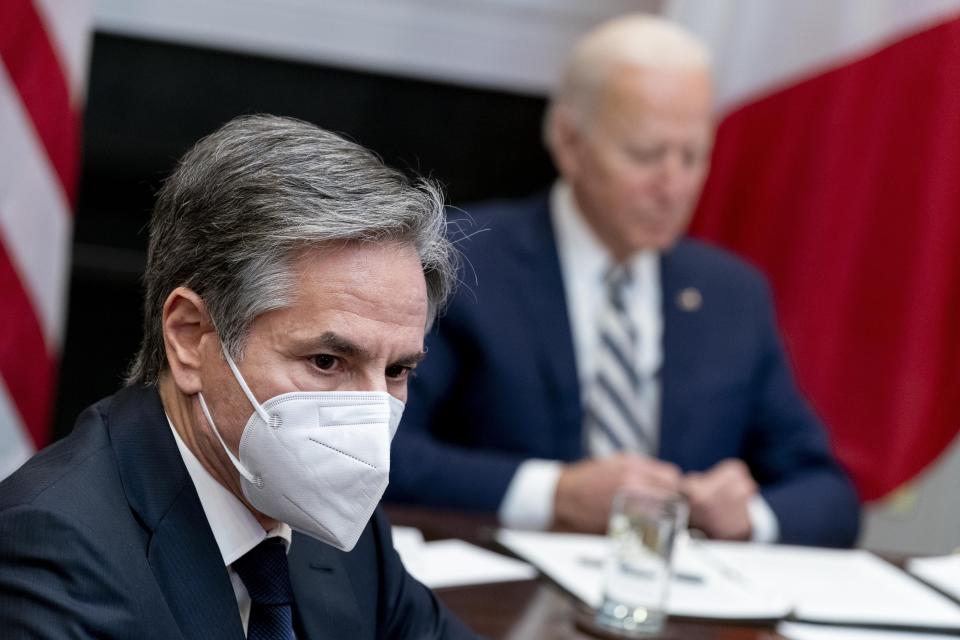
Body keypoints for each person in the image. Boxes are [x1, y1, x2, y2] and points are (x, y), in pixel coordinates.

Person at [386, 15, 860, 547]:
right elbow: (382, 449)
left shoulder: (732, 294)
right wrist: (556, 493)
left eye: (692, 156)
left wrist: (749, 515)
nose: (674, 185)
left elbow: (830, 494)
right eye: (646, 155)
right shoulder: (459, 257)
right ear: (570, 142)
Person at [0, 115, 480, 639]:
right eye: (326, 361)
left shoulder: (332, 515)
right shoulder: (48, 547)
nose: (367, 417)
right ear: (189, 337)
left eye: (396, 370)